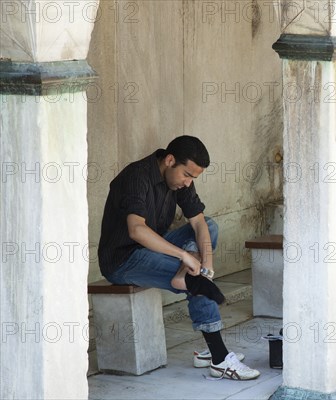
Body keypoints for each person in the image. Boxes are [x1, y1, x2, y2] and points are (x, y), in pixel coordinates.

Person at [98, 135, 260, 380]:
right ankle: (218, 358)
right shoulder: (136, 177)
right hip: (124, 259)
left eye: (193, 178)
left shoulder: (180, 181)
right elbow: (137, 230)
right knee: (197, 282)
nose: (188, 183)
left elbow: (199, 222)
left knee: (209, 229)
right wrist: (184, 255)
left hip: (153, 249)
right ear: (170, 160)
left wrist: (207, 265)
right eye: (187, 175)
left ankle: (187, 276)